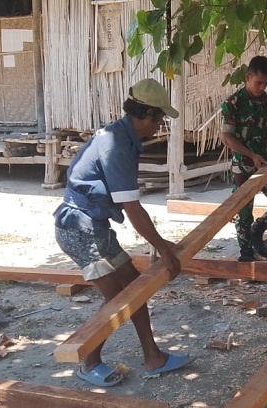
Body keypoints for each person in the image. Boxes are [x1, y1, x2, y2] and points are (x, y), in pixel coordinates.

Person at [54, 78, 195, 387]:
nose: (160, 125)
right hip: (79, 229)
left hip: (94, 226)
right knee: (117, 299)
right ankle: (89, 363)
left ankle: (153, 357)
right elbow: (133, 209)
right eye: (158, 118)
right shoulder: (116, 145)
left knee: (134, 289)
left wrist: (162, 244)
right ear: (144, 114)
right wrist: (164, 249)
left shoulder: (122, 136)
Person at [221, 55, 267, 261]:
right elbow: (226, 137)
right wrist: (251, 155)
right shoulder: (232, 103)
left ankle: (257, 230)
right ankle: (246, 253)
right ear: (248, 77)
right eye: (258, 82)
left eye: (265, 83)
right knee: (243, 210)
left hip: (266, 164)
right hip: (243, 165)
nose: (262, 87)